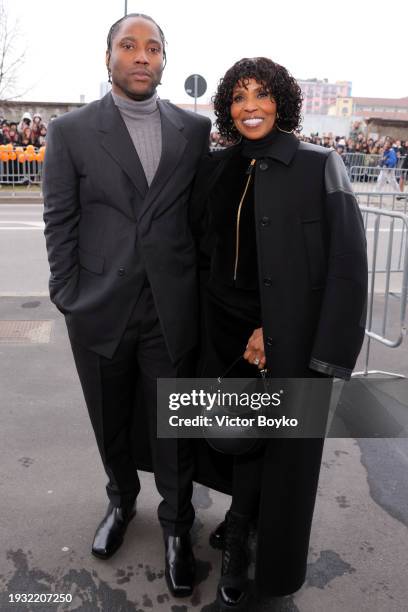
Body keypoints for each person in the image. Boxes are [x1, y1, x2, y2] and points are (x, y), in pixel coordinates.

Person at [42, 13, 211, 598]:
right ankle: (122, 501)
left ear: (164, 60)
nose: (142, 55)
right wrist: (68, 295)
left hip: (170, 311)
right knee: (109, 419)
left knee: (174, 426)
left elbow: (199, 221)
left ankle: (175, 525)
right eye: (129, 45)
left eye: (153, 47)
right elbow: (59, 220)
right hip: (99, 308)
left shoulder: (194, 131)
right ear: (108, 55)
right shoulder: (70, 132)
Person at [191, 57, 368, 610]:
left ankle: (243, 535)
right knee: (235, 436)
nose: (250, 107)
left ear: (281, 103)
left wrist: (281, 329)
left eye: (262, 95)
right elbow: (202, 248)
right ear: (228, 106)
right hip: (222, 327)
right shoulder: (218, 166)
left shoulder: (319, 164)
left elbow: (344, 262)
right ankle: (241, 520)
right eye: (240, 97)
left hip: (282, 335)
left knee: (278, 446)